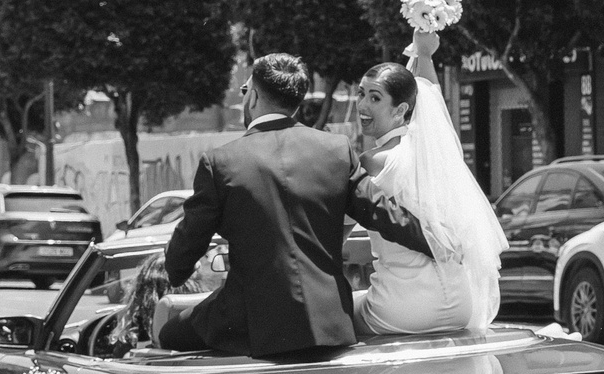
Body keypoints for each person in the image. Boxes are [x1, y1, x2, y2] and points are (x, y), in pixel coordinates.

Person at [157, 52, 432, 357]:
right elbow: (384, 214)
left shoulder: (220, 162)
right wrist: (440, 244)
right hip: (331, 321)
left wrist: (174, 271)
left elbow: (189, 241)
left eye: (245, 91)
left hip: (252, 323)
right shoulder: (336, 150)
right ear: (297, 101)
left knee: (168, 331)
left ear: (254, 98)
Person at [349, 29, 506, 335]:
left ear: (401, 110)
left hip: (402, 308)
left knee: (337, 311)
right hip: (463, 305)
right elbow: (431, 95)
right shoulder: (440, 156)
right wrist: (425, 55)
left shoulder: (373, 161)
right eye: (361, 93)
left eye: (374, 97)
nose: (362, 105)